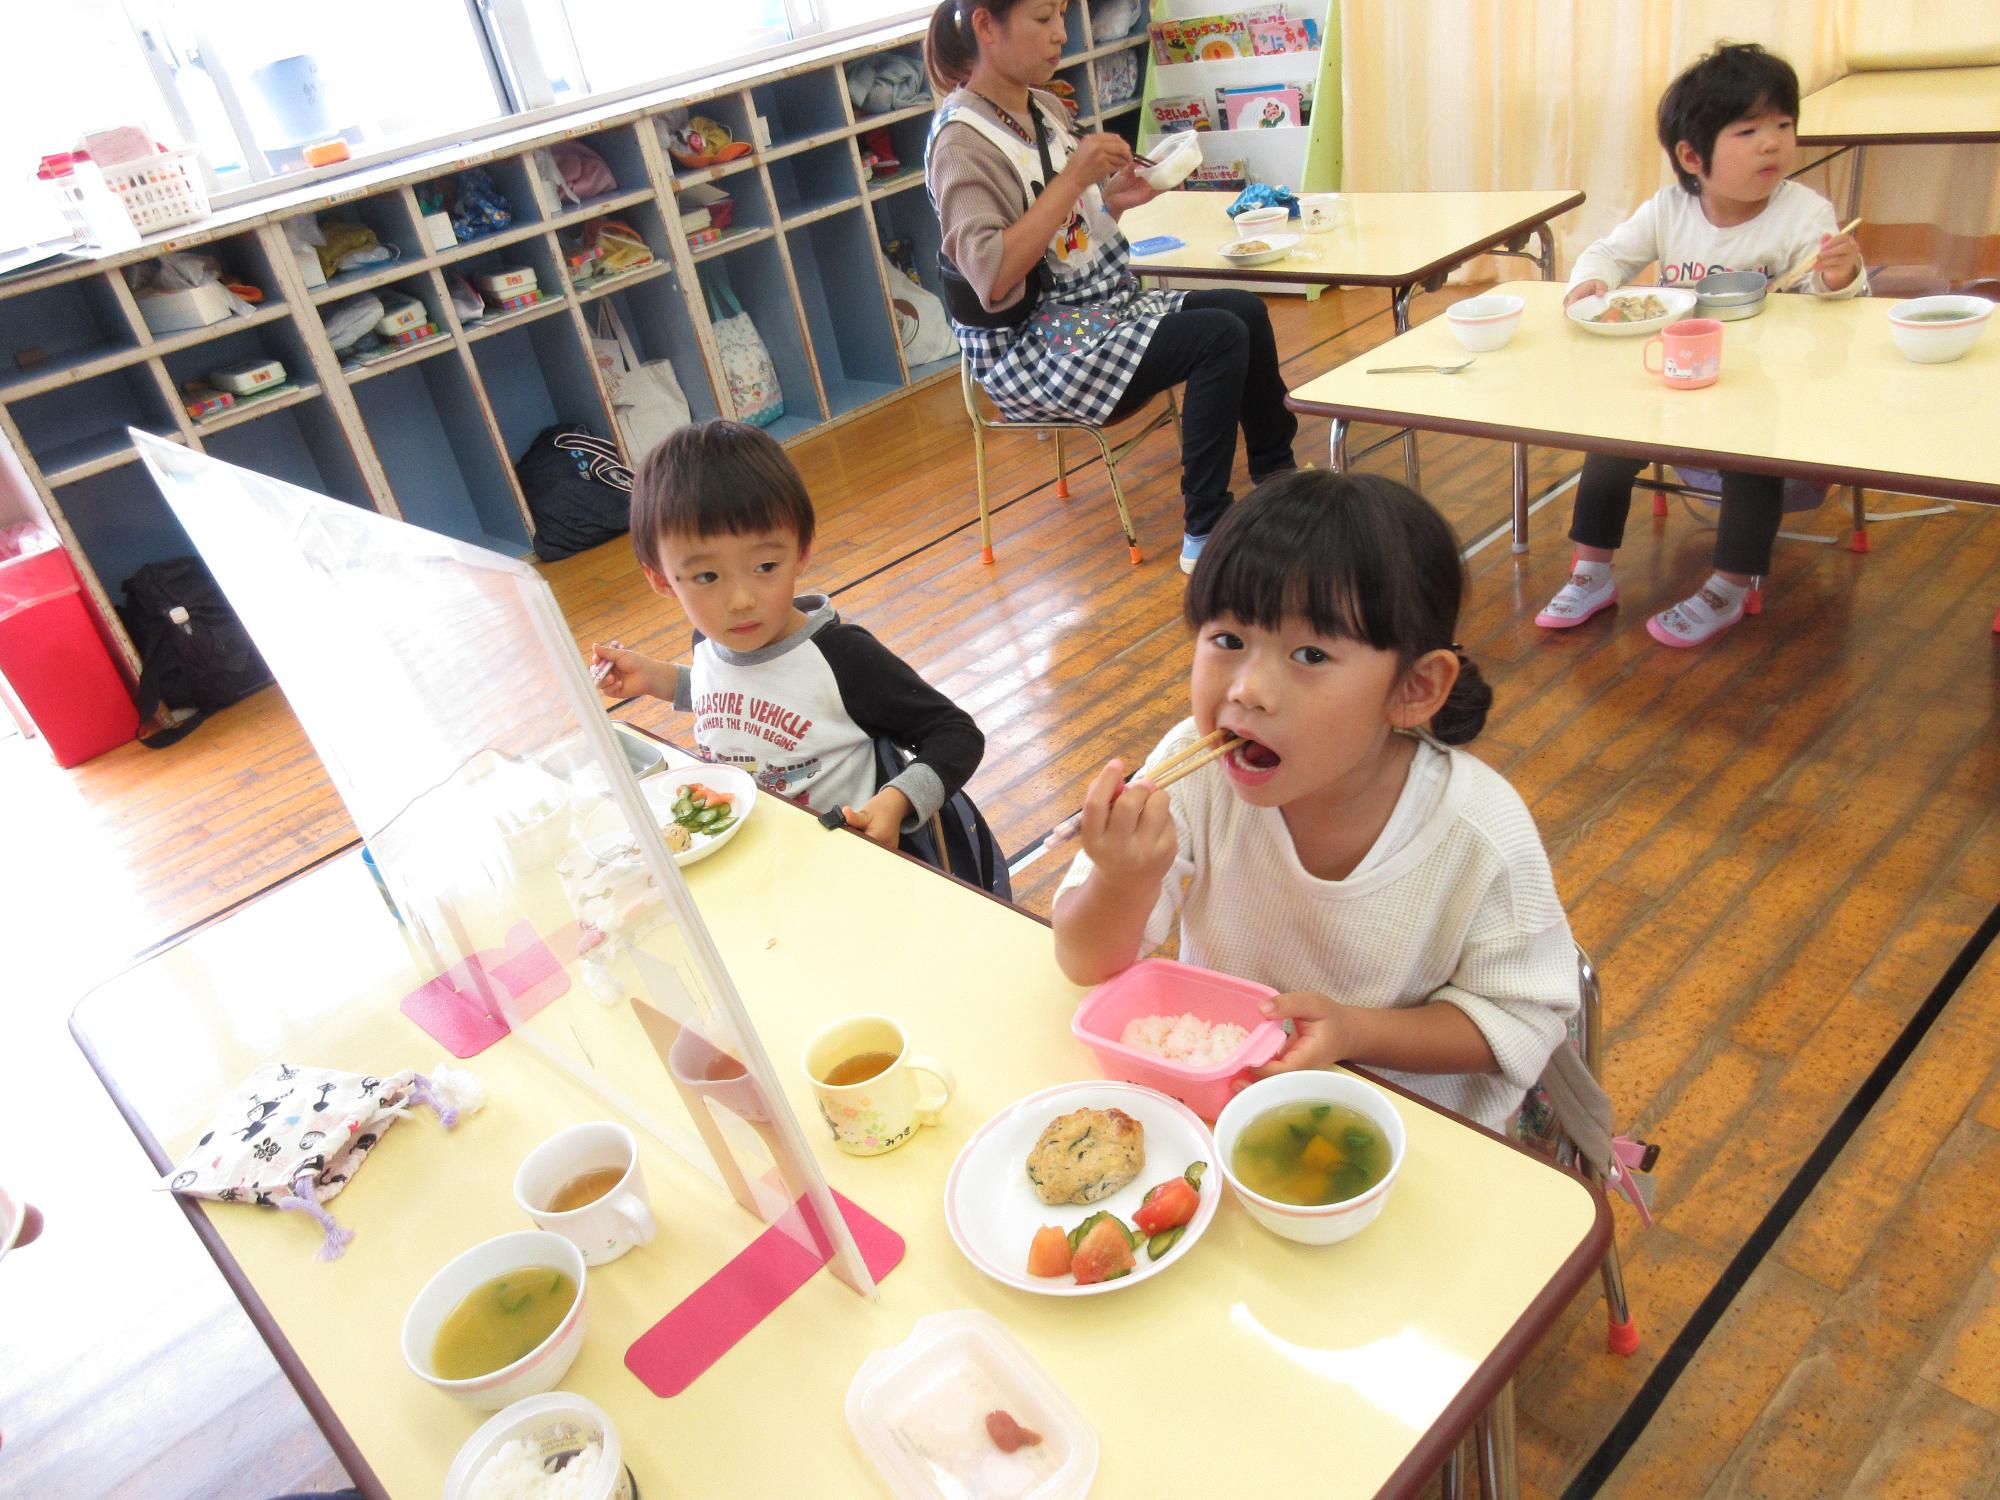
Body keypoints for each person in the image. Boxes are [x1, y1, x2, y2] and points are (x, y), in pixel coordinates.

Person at [1050, 472, 1575, 1133]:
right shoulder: (1195, 773)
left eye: (1308, 653)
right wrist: (1125, 878)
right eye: (1227, 640)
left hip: (1409, 1129)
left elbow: (1521, 1021)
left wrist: (1355, 1031)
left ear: (1413, 687)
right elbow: (1083, 961)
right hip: (1225, 1109)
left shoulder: (1477, 833)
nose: (1248, 690)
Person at [923, 0, 1298, 574]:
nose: (1060, 36)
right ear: (985, 26)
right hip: (1033, 346)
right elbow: (993, 274)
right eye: (1043, 19)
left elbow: (1067, 234)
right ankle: (1207, 531)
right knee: (1218, 336)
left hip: (1093, 309)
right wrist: (1075, 176)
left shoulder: (1042, 108)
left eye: (1061, 18)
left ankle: (1279, 479)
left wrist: (1112, 201)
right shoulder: (960, 144)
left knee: (1243, 309)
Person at [1538, 42, 1866, 648]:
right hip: (1675, 386)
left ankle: (1729, 586)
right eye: (1748, 130)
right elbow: (1612, 253)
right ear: (1692, 156)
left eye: (1784, 125)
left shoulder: (1802, 213)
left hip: (1764, 393)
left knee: (1751, 463)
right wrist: (1592, 280)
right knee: (1606, 446)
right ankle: (1592, 570)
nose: (1773, 143)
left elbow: (1834, 306)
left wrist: (1839, 275)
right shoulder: (1669, 209)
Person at [590, 421, 983, 850]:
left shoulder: (842, 657)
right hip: (760, 849)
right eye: (706, 575)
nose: (740, 601)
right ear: (662, 579)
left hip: (849, 862)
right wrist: (655, 678)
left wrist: (896, 801)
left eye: (765, 567)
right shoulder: (709, 639)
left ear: (801, 551)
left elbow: (956, 733)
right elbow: (730, 694)